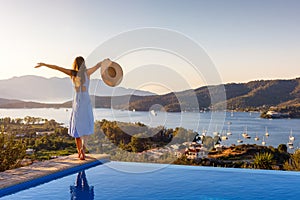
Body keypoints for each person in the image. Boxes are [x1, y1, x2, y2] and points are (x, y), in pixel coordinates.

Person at [35, 56, 110, 160]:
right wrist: (106, 61)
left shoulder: (72, 74)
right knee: (86, 126)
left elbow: (57, 67)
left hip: (77, 101)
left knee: (77, 126)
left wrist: (44, 64)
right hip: (86, 101)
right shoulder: (87, 73)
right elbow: (98, 65)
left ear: (75, 64)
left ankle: (79, 151)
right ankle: (83, 148)